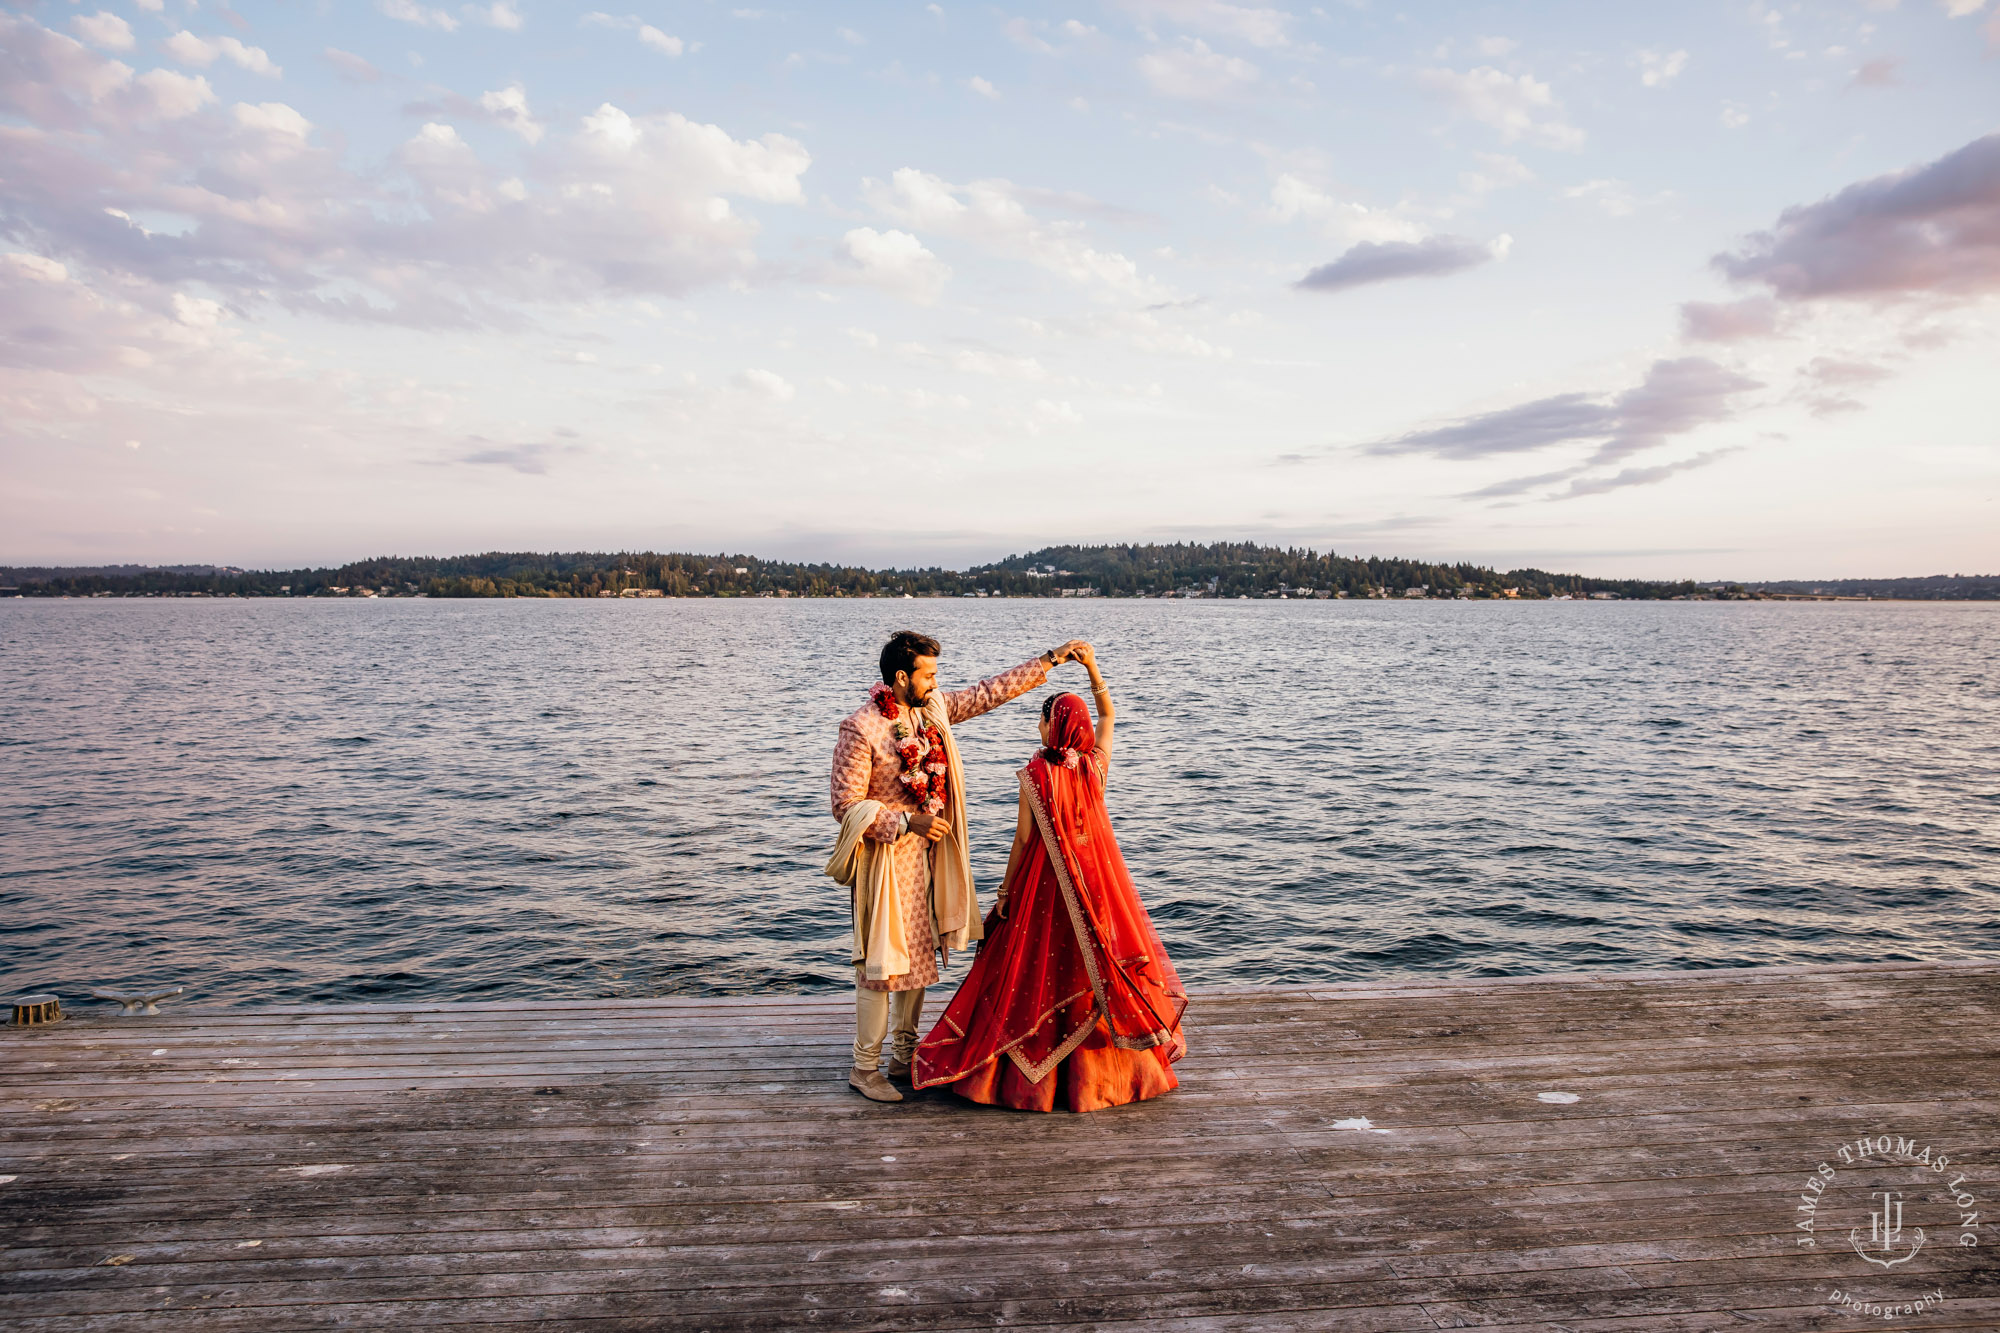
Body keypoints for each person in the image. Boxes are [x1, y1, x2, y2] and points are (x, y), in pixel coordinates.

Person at [912, 643, 1188, 1112]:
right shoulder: (1095, 768)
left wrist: (1004, 894)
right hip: (1094, 890)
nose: (1038, 728)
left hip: (1043, 889)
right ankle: (1101, 1079)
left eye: (1042, 720)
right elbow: (1109, 715)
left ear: (1052, 725)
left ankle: (1022, 1079)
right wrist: (1094, 668)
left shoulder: (1036, 773)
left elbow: (1022, 841)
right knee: (1089, 970)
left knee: (1030, 973)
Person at [827, 629, 1088, 1104]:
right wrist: (906, 820)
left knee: (919, 962)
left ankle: (903, 1059)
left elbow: (987, 693)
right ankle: (864, 1069)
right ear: (902, 676)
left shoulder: (933, 711)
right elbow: (845, 805)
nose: (936, 681)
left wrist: (1051, 660)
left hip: (931, 860)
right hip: (886, 863)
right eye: (928, 673)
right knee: (880, 967)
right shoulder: (861, 727)